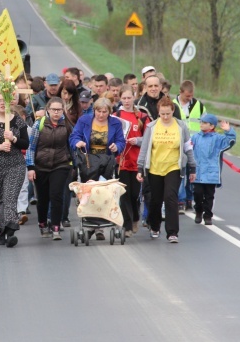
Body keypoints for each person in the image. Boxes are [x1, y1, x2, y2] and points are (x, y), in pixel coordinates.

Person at [137, 97, 196, 243]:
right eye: (162, 114)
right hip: (155, 167)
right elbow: (144, 148)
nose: (165, 117)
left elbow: (188, 148)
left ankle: (172, 232)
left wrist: (192, 167)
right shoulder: (152, 127)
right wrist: (140, 168)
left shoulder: (181, 127)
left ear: (172, 111)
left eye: (167, 114)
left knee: (171, 198)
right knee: (155, 200)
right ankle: (155, 226)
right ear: (158, 112)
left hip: (173, 167)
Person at [69, 98, 126, 240]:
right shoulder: (84, 120)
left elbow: (121, 141)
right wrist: (78, 142)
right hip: (88, 160)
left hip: (107, 160)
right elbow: (74, 136)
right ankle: (90, 224)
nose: (101, 114)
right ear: (94, 111)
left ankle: (103, 224)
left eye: (104, 111)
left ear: (109, 112)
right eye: (98, 111)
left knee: (104, 192)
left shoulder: (115, 123)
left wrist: (116, 147)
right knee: (90, 193)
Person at [0, 93, 29, 247]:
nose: (2, 103)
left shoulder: (18, 122)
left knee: (10, 198)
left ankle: (10, 232)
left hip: (15, 165)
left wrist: (14, 139)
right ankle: (1, 231)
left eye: (5, 100)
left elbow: (25, 144)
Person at [26, 97, 73, 240]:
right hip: (41, 165)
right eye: (53, 109)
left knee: (57, 195)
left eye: (59, 109)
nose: (56, 112)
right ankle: (42, 223)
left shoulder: (67, 124)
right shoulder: (39, 124)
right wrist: (31, 167)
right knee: (43, 198)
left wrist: (74, 161)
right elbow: (31, 147)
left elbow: (72, 144)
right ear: (48, 110)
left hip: (60, 164)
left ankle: (56, 226)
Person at [115, 85, 150, 237]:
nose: (127, 101)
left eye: (129, 97)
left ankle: (135, 217)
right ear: (120, 98)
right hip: (121, 161)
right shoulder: (116, 115)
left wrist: (138, 140)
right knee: (124, 194)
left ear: (134, 97)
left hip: (137, 161)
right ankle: (127, 226)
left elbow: (149, 138)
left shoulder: (141, 116)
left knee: (135, 194)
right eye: (124, 98)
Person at [191, 114, 236, 225]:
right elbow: (188, 149)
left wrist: (228, 130)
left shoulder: (218, 138)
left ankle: (208, 215)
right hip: (198, 172)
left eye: (204, 123)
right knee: (197, 193)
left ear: (212, 126)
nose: (201, 124)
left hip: (211, 173)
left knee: (209, 196)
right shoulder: (195, 137)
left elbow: (230, 141)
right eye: (201, 122)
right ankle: (198, 211)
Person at [173, 80, 206, 211]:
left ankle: (189, 198)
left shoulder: (198, 105)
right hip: (179, 144)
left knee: (192, 172)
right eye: (187, 96)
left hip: (195, 144)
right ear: (181, 92)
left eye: (191, 95)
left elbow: (205, 121)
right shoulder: (173, 104)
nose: (190, 98)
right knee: (181, 172)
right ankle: (180, 200)